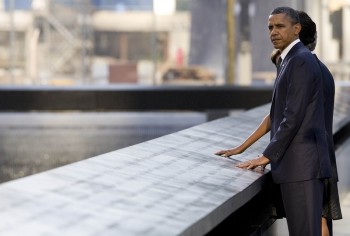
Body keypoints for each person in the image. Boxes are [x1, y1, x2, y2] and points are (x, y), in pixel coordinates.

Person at [216, 7, 334, 236]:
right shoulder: (289, 60)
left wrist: (267, 155)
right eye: (270, 27)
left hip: (302, 167)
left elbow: (292, 116)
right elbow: (277, 113)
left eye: (280, 26)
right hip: (297, 167)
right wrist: (242, 147)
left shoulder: (300, 61)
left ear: (297, 29)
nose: (273, 32)